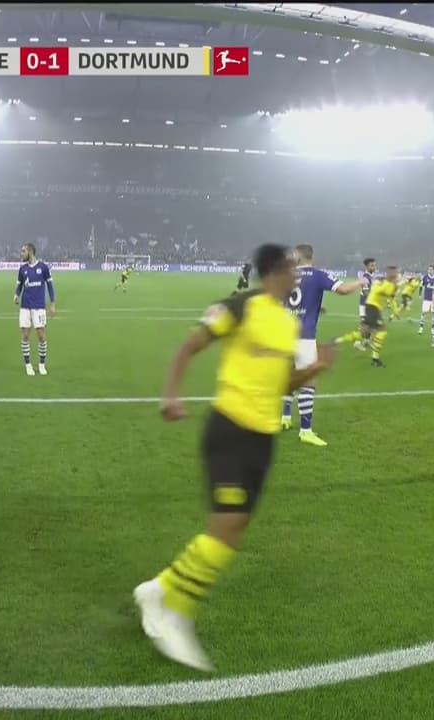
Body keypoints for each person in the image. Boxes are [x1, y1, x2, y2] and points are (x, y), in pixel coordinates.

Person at [135, 243, 335, 672]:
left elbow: (281, 384)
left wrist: (314, 370)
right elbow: (190, 346)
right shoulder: (240, 307)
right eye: (291, 268)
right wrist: (170, 395)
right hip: (229, 430)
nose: (297, 275)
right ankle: (177, 616)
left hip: (263, 439)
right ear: (274, 272)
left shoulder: (287, 322)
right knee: (224, 528)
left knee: (233, 530)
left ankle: (158, 589)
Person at [281, 244, 363, 446]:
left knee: (290, 375)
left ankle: (285, 417)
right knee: (308, 381)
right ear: (311, 256)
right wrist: (360, 282)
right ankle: (305, 431)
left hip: (284, 335)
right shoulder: (317, 275)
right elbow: (343, 289)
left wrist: (315, 306)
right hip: (304, 336)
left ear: (298, 257)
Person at [337, 265, 398, 367]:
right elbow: (378, 290)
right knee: (381, 331)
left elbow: (391, 299)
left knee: (364, 332)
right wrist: (391, 286)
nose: (396, 275)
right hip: (372, 307)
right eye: (394, 273)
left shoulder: (391, 285)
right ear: (389, 273)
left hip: (374, 309)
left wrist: (395, 311)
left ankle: (336, 341)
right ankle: (375, 358)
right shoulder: (381, 281)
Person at [14, 243, 56, 376]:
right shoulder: (22, 269)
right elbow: (19, 285)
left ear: (30, 252)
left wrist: (52, 304)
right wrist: (16, 295)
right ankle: (28, 365)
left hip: (39, 307)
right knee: (25, 336)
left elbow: (50, 286)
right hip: (25, 307)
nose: (21, 254)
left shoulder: (43, 267)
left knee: (41, 336)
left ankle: (42, 365)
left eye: (23, 251)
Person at [418, 263, 434, 334]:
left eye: (431, 270)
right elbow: (421, 286)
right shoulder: (425, 277)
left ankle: (432, 328)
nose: (429, 271)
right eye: (429, 269)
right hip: (426, 298)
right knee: (424, 312)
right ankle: (421, 327)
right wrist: (420, 294)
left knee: (433, 314)